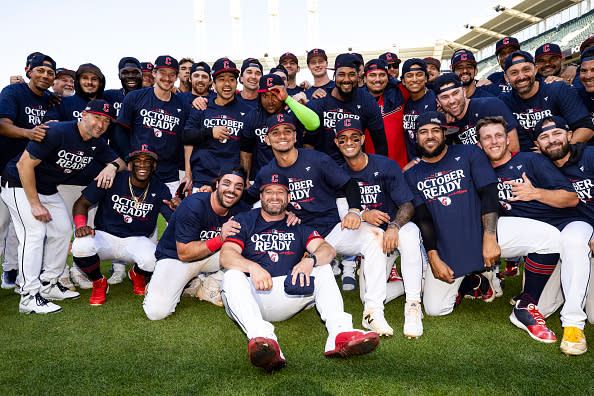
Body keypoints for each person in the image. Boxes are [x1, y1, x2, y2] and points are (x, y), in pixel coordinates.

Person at [247, 113, 396, 336]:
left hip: (330, 230)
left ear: (295, 136)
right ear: (267, 139)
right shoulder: (267, 172)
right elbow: (250, 199)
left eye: (287, 131)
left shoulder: (317, 159)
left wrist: (356, 211)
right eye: (275, 133)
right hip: (297, 239)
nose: (282, 136)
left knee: (374, 236)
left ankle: (374, 311)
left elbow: (350, 185)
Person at [403, 111, 562, 316]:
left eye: (436, 130)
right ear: (416, 136)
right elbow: (423, 219)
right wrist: (433, 258)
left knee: (550, 237)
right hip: (450, 245)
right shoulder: (411, 174)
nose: (430, 136)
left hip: (485, 232)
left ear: (445, 133)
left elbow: (489, 193)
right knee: (436, 309)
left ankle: (528, 300)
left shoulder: (469, 153)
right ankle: (474, 281)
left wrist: (489, 236)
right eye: (423, 132)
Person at [220, 169, 380, 372]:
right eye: (269, 192)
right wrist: (252, 267)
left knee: (322, 269)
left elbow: (327, 250)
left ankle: (340, 334)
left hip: (287, 293)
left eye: (280, 192)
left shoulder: (297, 225)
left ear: (288, 197)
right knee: (232, 276)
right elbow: (227, 255)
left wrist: (309, 260)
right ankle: (265, 341)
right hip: (251, 296)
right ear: (261, 196)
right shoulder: (245, 220)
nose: (274, 197)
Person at [1, 99, 125, 314]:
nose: (101, 125)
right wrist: (34, 204)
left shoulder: (97, 142)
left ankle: (49, 283)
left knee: (63, 231)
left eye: (106, 121)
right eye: (97, 117)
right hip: (18, 183)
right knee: (34, 233)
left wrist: (111, 168)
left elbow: (121, 162)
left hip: (47, 188)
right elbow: (24, 164)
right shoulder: (57, 131)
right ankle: (28, 295)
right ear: (84, 115)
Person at [476, 115, 587, 346]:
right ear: (479, 145)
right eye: (487, 138)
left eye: (499, 136)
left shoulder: (530, 161)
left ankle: (572, 316)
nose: (494, 142)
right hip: (540, 243)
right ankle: (525, 302)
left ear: (508, 140)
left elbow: (572, 198)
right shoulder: (482, 172)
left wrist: (535, 193)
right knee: (543, 307)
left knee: (590, 307)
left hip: (566, 228)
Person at [334, 117, 425, 338]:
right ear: (336, 142)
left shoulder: (385, 165)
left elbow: (407, 204)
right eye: (343, 138)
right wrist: (363, 214)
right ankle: (411, 281)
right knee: (367, 297)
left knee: (410, 235)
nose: (349, 142)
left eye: (354, 137)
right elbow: (341, 210)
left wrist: (394, 225)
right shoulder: (336, 171)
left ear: (363, 139)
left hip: (396, 228)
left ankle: (413, 305)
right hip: (371, 238)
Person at [71, 146, 178, 305]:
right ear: (130, 165)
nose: (142, 165)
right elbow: (81, 203)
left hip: (136, 240)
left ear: (154, 166)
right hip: (105, 236)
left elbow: (173, 219)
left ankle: (137, 274)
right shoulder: (113, 179)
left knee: (155, 260)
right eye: (137, 161)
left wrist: (180, 208)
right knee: (80, 246)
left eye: (148, 161)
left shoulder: (160, 188)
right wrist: (81, 225)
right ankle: (99, 282)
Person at [142, 167, 250, 320]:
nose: (231, 190)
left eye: (238, 187)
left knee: (249, 246)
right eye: (227, 183)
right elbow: (184, 253)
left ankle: (210, 284)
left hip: (212, 257)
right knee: (156, 312)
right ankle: (170, 283)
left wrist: (287, 213)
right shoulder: (194, 205)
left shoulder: (242, 209)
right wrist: (220, 238)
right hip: (176, 258)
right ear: (217, 184)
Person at [533, 116, 594, 355]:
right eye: (544, 137)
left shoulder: (589, 156)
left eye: (556, 133)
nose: (552, 140)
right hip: (573, 235)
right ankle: (572, 325)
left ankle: (574, 311)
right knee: (540, 307)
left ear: (569, 135)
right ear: (538, 144)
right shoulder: (539, 166)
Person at [0, 53, 57, 291]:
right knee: (2, 225)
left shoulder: (50, 100)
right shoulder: (13, 93)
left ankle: (12, 272)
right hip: (4, 167)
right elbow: (2, 124)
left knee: (20, 227)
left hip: (27, 172)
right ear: (28, 71)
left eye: (50, 73)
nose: (45, 76)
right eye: (40, 71)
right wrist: (28, 133)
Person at [114, 55, 190, 197]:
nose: (167, 78)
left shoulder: (183, 106)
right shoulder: (135, 97)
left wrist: (187, 172)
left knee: (174, 216)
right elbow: (120, 131)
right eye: (163, 73)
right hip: (139, 169)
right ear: (154, 73)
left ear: (177, 77)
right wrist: (127, 159)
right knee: (137, 215)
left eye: (172, 74)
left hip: (169, 174)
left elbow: (187, 141)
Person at [499, 51, 594, 151]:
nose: (521, 77)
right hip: (531, 162)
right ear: (506, 78)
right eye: (514, 73)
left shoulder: (558, 89)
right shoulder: (503, 102)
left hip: (567, 155)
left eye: (526, 69)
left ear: (535, 70)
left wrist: (557, 154)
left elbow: (586, 129)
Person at [183, 58, 252, 189]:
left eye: (231, 79)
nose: (227, 84)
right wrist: (210, 132)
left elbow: (247, 149)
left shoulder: (247, 111)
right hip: (202, 179)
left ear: (237, 83)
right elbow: (186, 136)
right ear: (213, 83)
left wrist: (246, 178)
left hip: (231, 181)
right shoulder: (202, 105)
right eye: (221, 79)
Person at [307, 53, 388, 164]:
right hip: (325, 169)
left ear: (358, 77)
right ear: (334, 76)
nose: (346, 79)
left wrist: (380, 171)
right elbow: (307, 143)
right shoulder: (320, 100)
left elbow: (380, 144)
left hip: (356, 168)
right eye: (341, 74)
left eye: (351, 74)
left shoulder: (367, 100)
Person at [240, 73, 319, 181]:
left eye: (274, 95)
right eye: (265, 96)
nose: (270, 101)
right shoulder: (253, 116)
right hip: (265, 178)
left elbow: (314, 124)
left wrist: (288, 98)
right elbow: (246, 151)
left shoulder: (294, 110)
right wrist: (246, 179)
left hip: (296, 177)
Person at [433, 73, 519, 150]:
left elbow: (514, 147)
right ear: (438, 102)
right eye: (445, 97)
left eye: (455, 93)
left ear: (464, 92)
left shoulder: (491, 105)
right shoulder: (448, 124)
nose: (452, 101)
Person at [363, 59, 410, 168]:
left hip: (400, 168)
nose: (377, 79)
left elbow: (425, 88)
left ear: (388, 78)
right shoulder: (357, 100)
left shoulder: (400, 94)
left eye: (382, 75)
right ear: (364, 79)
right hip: (370, 169)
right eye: (372, 75)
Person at [401, 59, 437, 163]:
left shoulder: (436, 99)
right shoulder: (404, 101)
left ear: (426, 78)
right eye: (409, 75)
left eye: (419, 74)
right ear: (403, 81)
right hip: (411, 162)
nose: (415, 79)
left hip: (430, 162)